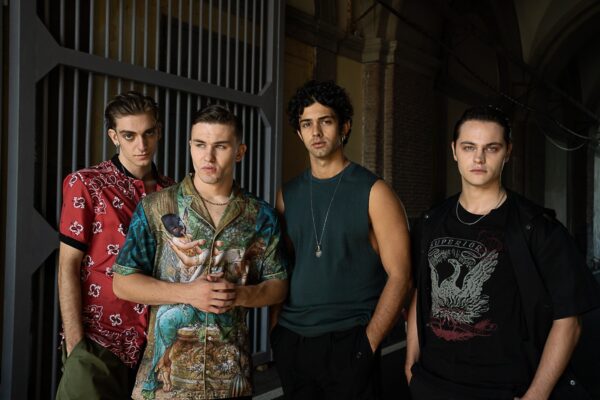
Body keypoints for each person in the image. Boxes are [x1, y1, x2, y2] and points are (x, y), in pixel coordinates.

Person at [405, 105, 600, 400]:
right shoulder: (432, 221)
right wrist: (411, 366)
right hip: (432, 384)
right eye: (469, 147)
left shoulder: (537, 228)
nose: (479, 158)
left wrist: (537, 395)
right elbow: (421, 293)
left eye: (491, 148)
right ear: (454, 150)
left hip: (504, 389)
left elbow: (569, 321)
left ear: (508, 151)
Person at [112, 104, 288, 400]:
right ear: (190, 146)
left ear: (240, 152)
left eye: (220, 146)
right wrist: (188, 293)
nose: (208, 156)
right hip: (165, 387)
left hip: (230, 380)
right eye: (200, 144)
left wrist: (239, 295)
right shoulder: (156, 207)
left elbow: (278, 286)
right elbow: (123, 283)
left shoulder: (260, 215)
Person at [271, 80, 412, 399]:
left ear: (344, 127)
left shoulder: (374, 192)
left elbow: (401, 276)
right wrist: (276, 331)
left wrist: (368, 342)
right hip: (293, 340)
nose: (316, 132)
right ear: (299, 133)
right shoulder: (287, 195)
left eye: (326, 121)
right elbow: (282, 267)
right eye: (307, 124)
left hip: (350, 339)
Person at [56, 91, 174, 399]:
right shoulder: (86, 184)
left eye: (148, 133)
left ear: (159, 131)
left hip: (158, 345)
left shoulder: (173, 192)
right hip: (99, 341)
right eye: (129, 135)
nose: (141, 145)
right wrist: (76, 345)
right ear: (114, 137)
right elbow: (67, 266)